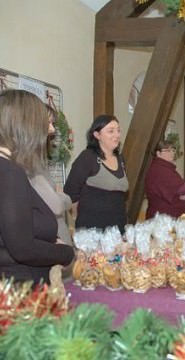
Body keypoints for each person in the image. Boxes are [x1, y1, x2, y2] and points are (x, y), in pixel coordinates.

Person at [0, 89, 75, 284]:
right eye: (44, 123)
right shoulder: (9, 173)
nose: (50, 131)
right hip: (21, 291)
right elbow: (22, 249)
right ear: (24, 126)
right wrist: (65, 252)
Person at [64, 115, 129, 233]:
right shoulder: (88, 157)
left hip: (118, 229)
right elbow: (70, 191)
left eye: (118, 130)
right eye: (111, 131)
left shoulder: (120, 159)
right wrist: (76, 216)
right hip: (92, 231)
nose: (117, 135)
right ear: (97, 135)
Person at [29, 104, 72, 247]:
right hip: (49, 245)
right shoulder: (29, 163)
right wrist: (64, 197)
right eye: (48, 123)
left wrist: (56, 195)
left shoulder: (38, 160)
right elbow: (56, 205)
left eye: (53, 123)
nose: (52, 129)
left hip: (59, 239)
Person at [145, 140, 185, 219]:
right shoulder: (159, 170)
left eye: (173, 150)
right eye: (167, 150)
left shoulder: (166, 168)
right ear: (158, 153)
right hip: (163, 220)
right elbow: (184, 189)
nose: (172, 153)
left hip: (167, 218)